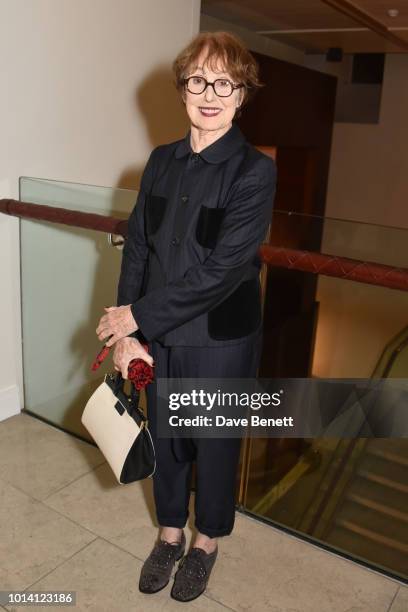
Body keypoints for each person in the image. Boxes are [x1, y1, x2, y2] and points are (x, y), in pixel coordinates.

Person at [96, 31, 277, 602]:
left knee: (214, 443)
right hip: (160, 332)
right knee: (169, 438)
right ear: (182, 88)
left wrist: (135, 318)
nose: (210, 93)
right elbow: (140, 247)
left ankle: (207, 543)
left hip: (220, 340)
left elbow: (222, 271)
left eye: (226, 82)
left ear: (242, 95)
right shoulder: (159, 161)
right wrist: (132, 330)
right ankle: (170, 534)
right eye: (199, 79)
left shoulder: (253, 171)